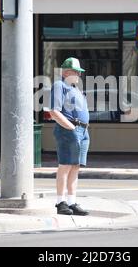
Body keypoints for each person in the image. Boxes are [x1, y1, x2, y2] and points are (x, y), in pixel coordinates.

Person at [49, 57, 90, 216]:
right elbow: (54, 111)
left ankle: (71, 202)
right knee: (65, 165)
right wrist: (72, 127)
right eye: (75, 72)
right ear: (65, 72)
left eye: (79, 72)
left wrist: (81, 130)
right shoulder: (60, 85)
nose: (78, 75)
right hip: (70, 129)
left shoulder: (75, 89)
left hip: (82, 130)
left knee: (75, 166)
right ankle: (61, 202)